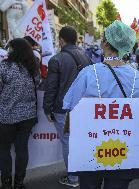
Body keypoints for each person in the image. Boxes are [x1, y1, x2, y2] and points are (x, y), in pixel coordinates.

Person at [63, 20, 139, 189]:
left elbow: (71, 106)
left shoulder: (89, 73)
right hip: (123, 150)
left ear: (105, 44)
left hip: (91, 148)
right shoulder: (137, 77)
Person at [43, 26, 91, 187]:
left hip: (65, 109)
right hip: (83, 107)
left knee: (68, 142)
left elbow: (51, 87)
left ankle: (73, 178)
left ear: (61, 40)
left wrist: (47, 109)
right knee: (80, 141)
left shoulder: (57, 59)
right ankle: (82, 173)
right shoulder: (85, 55)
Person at [0, 38, 40, 189]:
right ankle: (19, 183)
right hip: (27, 116)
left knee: (4, 150)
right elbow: (37, 84)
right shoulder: (33, 67)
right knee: (22, 149)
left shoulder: (3, 67)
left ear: (13, 50)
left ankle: (6, 185)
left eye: (9, 48)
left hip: (6, 116)